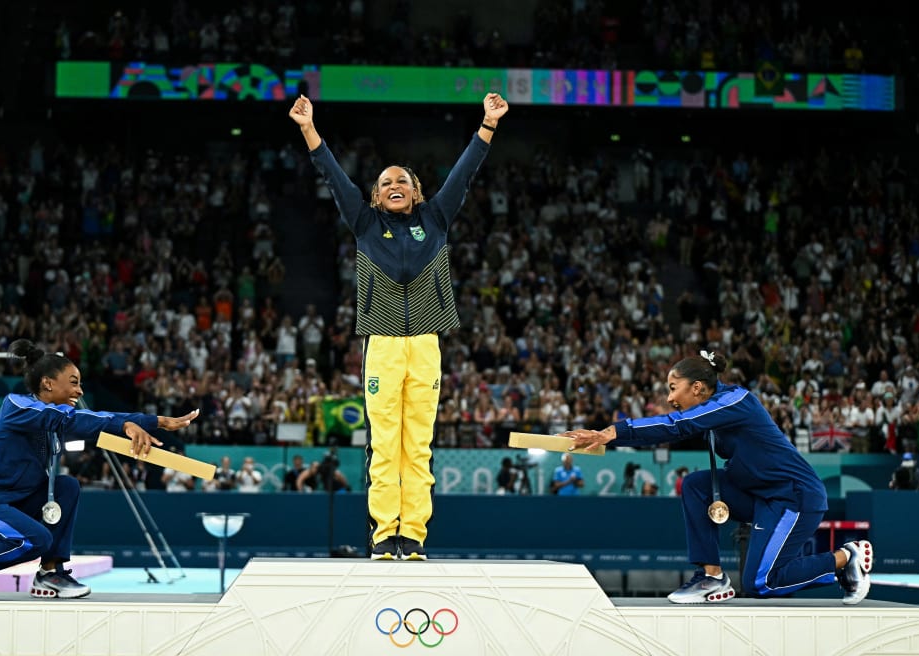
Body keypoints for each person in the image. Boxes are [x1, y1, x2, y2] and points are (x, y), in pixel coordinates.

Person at [290, 91, 509, 560]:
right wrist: (310, 128)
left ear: (416, 192)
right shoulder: (365, 223)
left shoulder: (436, 218)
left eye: (403, 181)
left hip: (426, 344)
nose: (394, 185)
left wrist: (487, 124)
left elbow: (464, 174)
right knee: (385, 445)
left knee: (420, 447)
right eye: (386, 181)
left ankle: (413, 536)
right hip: (383, 346)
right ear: (375, 194)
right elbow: (332, 175)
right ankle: (383, 534)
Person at [563, 350, 874, 605]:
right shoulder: (713, 410)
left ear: (697, 387)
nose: (670, 398)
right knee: (696, 485)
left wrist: (613, 432)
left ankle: (846, 558)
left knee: (760, 583)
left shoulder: (736, 400)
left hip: (794, 497)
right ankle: (712, 577)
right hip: (760, 496)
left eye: (673, 388)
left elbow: (676, 425)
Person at [0, 339, 199, 599]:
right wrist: (134, 423)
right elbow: (71, 420)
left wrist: (152, 423)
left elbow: (86, 425)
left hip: (8, 504)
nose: (80, 391)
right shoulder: (15, 405)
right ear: (47, 383)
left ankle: (50, 572)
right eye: (74, 383)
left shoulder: (52, 424)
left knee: (67, 486)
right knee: (36, 539)